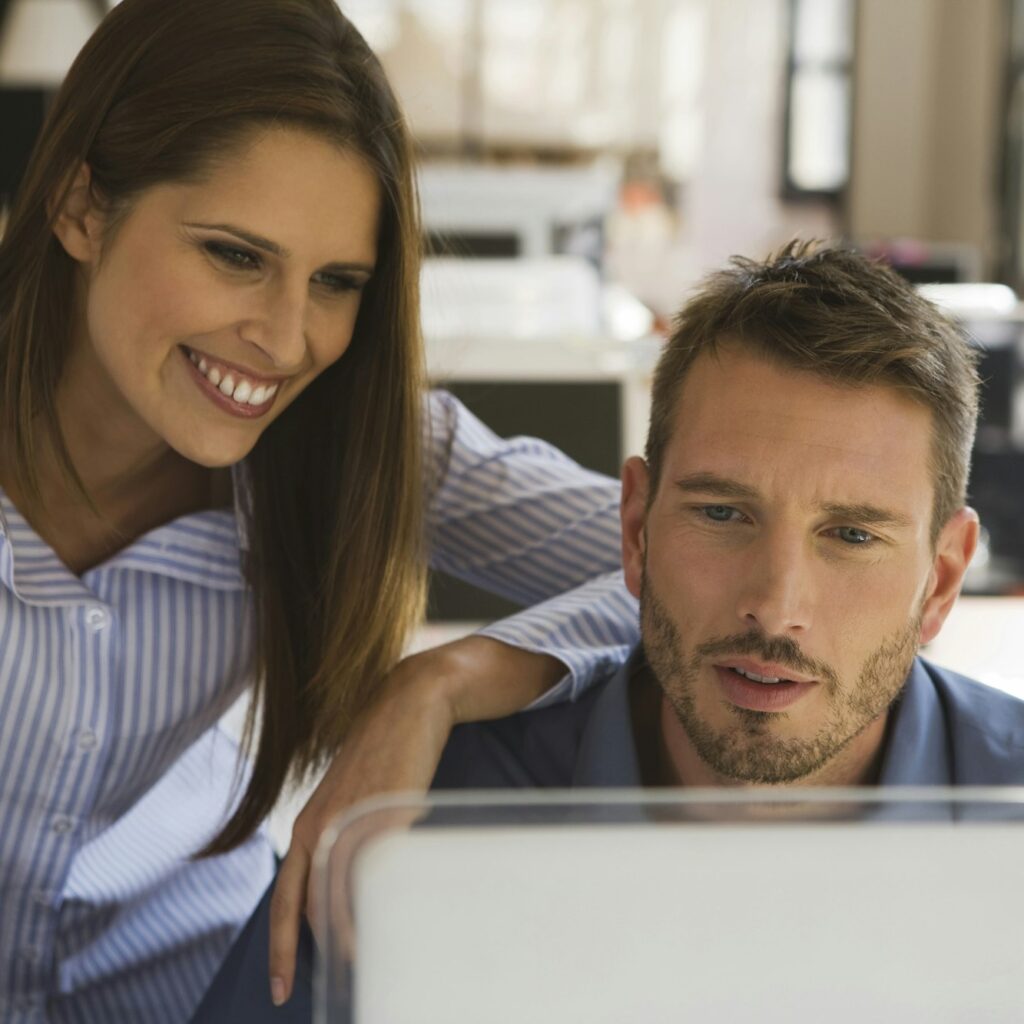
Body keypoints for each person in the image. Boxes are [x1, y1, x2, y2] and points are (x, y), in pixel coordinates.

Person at [0, 1, 640, 1020]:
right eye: (235, 255)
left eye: (338, 281)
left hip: (207, 988)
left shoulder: (362, 444)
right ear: (83, 208)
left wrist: (438, 680)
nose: (287, 338)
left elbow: (705, 570)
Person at [434, 241, 1024, 795]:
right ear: (637, 531)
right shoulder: (439, 800)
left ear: (942, 579)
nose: (773, 608)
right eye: (721, 513)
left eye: (852, 534)